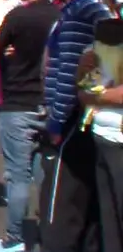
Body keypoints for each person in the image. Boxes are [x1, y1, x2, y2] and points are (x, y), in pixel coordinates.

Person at [40, 0, 113, 252]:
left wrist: (57, 121)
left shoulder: (79, 12)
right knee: (89, 206)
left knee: (61, 207)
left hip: (73, 119)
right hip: (89, 117)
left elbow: (69, 72)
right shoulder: (97, 9)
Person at [0, 0, 59, 250]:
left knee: (18, 176)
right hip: (50, 102)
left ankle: (14, 235)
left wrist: (9, 52)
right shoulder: (60, 16)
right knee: (46, 172)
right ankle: (48, 228)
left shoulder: (18, 16)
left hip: (18, 102)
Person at [76, 18, 123, 252]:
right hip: (101, 134)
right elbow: (83, 91)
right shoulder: (92, 53)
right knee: (109, 215)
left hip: (118, 138)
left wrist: (98, 94)